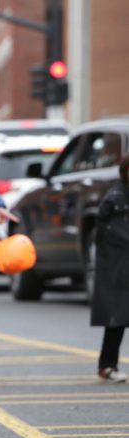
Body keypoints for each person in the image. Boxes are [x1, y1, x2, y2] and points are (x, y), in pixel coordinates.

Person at [91, 153, 129, 383]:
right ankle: (107, 365)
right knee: (117, 318)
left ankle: (108, 365)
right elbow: (104, 234)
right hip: (118, 268)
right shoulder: (115, 198)